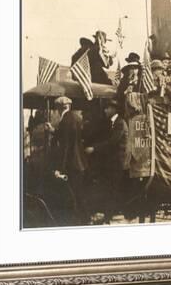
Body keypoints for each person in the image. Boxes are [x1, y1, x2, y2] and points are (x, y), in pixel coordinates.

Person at [45, 96, 89, 224]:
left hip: (72, 163)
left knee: (73, 194)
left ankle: (77, 221)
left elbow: (66, 146)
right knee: (79, 192)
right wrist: (54, 131)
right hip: (80, 162)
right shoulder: (76, 118)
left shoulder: (65, 120)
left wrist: (60, 168)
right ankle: (85, 219)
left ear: (60, 108)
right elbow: (70, 137)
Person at [84, 99, 129, 223]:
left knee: (112, 189)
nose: (105, 110)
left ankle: (109, 216)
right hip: (112, 162)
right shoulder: (113, 123)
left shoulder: (120, 123)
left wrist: (94, 148)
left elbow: (113, 142)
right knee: (109, 188)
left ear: (113, 109)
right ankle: (107, 215)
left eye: (107, 108)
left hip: (117, 163)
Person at [116, 52, 142, 117]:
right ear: (128, 69)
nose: (133, 71)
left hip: (139, 112)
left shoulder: (141, 82)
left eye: (135, 68)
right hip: (125, 112)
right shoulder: (124, 81)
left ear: (138, 70)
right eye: (131, 68)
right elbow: (118, 96)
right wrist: (125, 92)